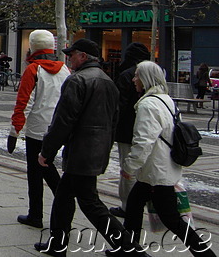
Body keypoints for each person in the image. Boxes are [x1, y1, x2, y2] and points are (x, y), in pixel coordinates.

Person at [36, 39, 144, 256]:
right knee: (64, 196)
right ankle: (57, 243)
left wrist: (47, 150)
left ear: (83, 56)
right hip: (96, 149)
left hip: (81, 151)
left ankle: (128, 246)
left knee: (89, 202)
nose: (69, 57)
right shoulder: (108, 81)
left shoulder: (77, 80)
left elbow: (63, 120)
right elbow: (115, 119)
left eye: (72, 54)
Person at [121, 61, 216, 256]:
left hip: (156, 171)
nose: (134, 79)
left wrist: (129, 166)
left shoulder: (148, 104)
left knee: (171, 218)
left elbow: (143, 141)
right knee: (133, 205)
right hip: (161, 167)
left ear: (146, 79)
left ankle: (205, 254)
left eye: (137, 75)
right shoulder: (165, 99)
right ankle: (128, 248)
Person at [9, 29, 68, 229]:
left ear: (33, 47)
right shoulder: (65, 70)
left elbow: (23, 102)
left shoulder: (33, 69)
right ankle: (59, 202)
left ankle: (37, 213)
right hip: (57, 127)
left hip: (36, 129)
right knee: (46, 164)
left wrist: (14, 131)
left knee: (36, 171)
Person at [110, 42, 150, 218]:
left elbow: (120, 104)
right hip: (149, 130)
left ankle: (128, 206)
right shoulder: (151, 73)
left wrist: (112, 127)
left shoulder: (127, 75)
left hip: (127, 130)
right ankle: (149, 206)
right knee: (146, 168)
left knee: (128, 168)